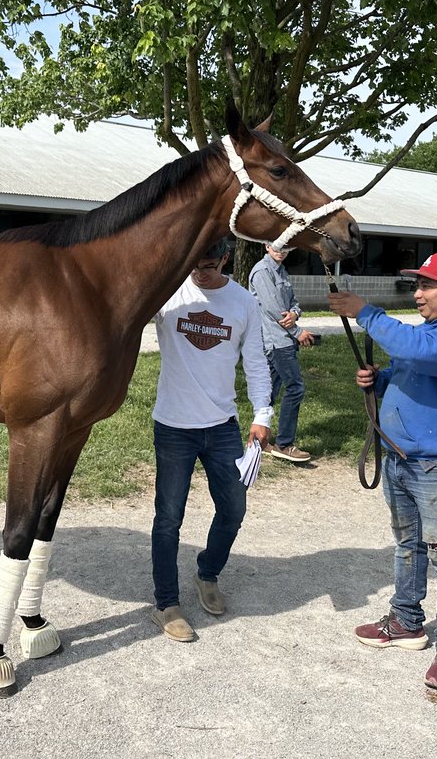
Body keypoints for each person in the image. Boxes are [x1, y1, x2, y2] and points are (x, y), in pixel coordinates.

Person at [328, 251, 437, 694]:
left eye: (427, 286)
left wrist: (365, 312)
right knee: (407, 546)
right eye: (416, 285)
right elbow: (417, 365)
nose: (417, 294)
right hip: (402, 458)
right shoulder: (435, 329)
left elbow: (419, 350)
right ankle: (406, 621)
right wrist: (380, 381)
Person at [150, 238, 272, 642]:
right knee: (169, 518)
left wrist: (263, 414)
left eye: (206, 264)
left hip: (222, 426)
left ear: (225, 258)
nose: (198, 272)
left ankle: (208, 573)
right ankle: (166, 603)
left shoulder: (244, 303)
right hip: (173, 425)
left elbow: (255, 362)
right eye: (191, 263)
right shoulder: (169, 293)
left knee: (233, 509)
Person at [248, 243, 317, 462]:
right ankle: (284, 444)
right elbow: (273, 309)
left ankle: (260, 438)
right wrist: (297, 331)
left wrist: (295, 313)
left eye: (286, 246)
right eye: (276, 246)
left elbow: (293, 303)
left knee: (270, 390)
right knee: (295, 388)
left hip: (283, 340)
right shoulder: (262, 271)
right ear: (267, 246)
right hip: (277, 342)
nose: (281, 250)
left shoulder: (281, 271)